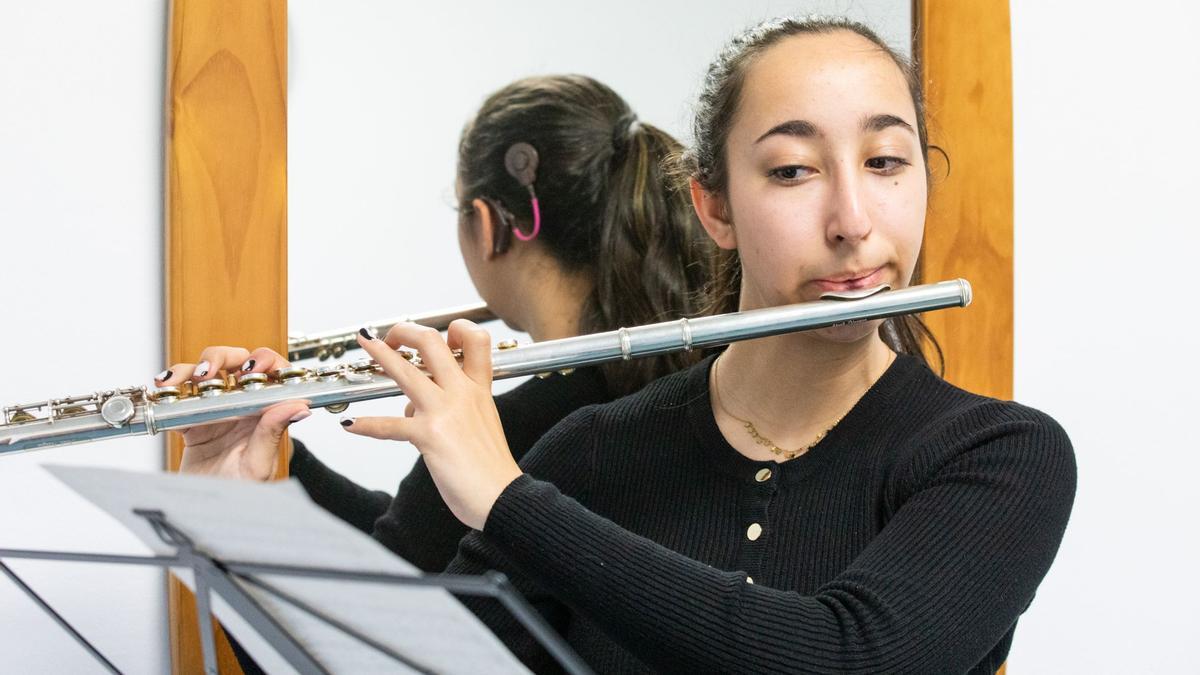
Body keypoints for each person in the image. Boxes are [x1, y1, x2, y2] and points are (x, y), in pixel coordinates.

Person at [336, 17, 1076, 673]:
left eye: (884, 162)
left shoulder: (999, 456)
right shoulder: (591, 452)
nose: (853, 220)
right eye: (793, 170)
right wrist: (239, 491)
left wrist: (508, 500)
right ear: (714, 206)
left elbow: (841, 654)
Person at [159, 74, 715, 573]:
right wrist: (277, 451)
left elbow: (392, 598)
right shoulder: (689, 383)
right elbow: (425, 541)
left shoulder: (530, 423)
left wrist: (232, 524)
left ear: (489, 224)